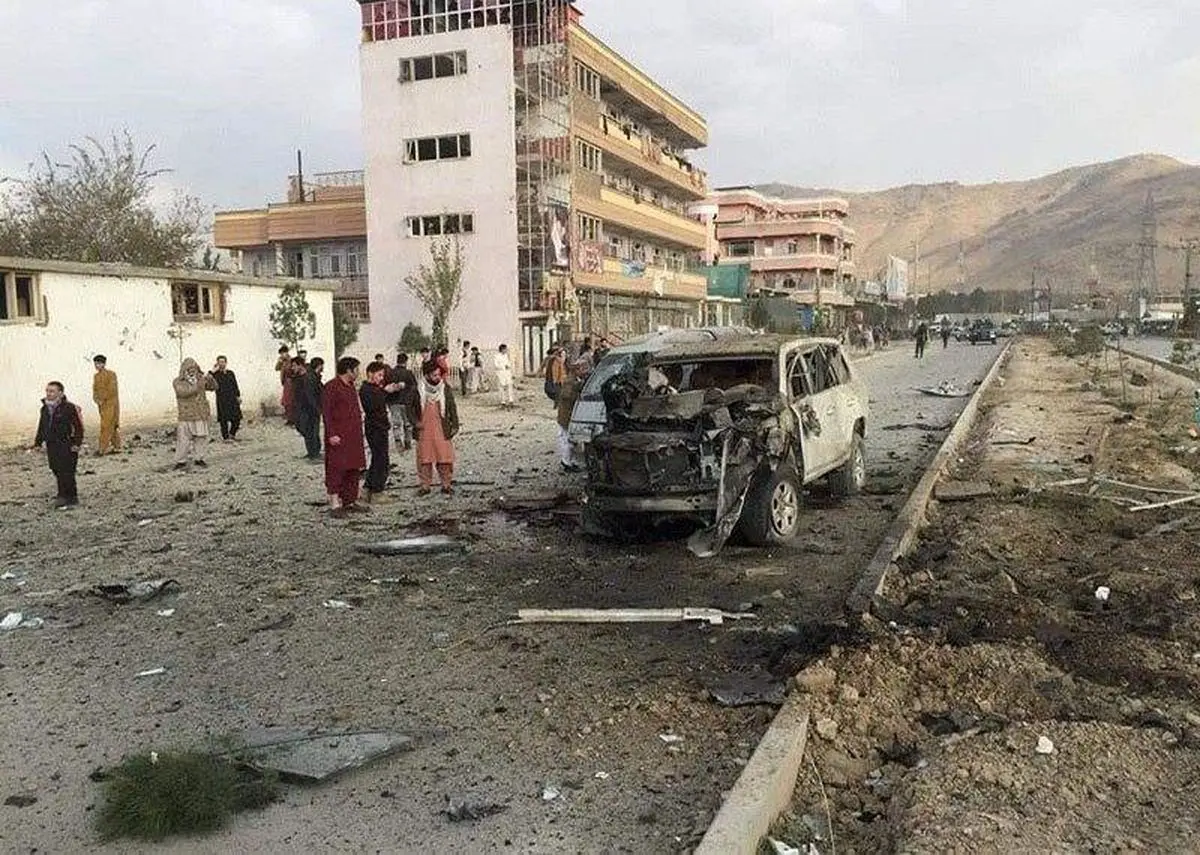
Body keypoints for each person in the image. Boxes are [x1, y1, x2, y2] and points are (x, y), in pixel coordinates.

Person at [322, 356, 368, 517]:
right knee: (336, 468)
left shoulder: (351, 387)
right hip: (338, 436)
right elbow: (326, 413)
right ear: (349, 370)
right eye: (356, 369)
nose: (358, 373)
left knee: (353, 467)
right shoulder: (332, 386)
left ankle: (350, 500)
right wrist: (331, 434)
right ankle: (335, 503)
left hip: (353, 435)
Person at [409, 359, 460, 495]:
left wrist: (455, 425)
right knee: (424, 459)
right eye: (434, 375)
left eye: (439, 374)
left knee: (445, 458)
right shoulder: (417, 389)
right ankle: (425, 486)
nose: (437, 377)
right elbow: (409, 409)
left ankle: (446, 485)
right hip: (424, 429)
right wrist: (415, 422)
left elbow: (452, 407)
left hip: (442, 429)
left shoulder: (445, 388)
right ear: (427, 375)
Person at [32, 381, 84, 509]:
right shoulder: (44, 408)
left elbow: (78, 427)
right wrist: (38, 442)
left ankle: (64, 496)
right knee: (55, 468)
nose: (48, 394)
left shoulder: (69, 407)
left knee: (66, 470)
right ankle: (70, 496)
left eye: (52, 391)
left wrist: (76, 443)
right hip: (51, 444)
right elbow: (42, 426)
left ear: (60, 393)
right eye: (47, 391)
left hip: (66, 443)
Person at [360, 361, 396, 504]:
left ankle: (368, 488)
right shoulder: (367, 389)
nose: (381, 378)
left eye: (382, 375)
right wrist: (385, 392)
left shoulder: (374, 389)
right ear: (370, 374)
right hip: (376, 427)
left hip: (378, 426)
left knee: (377, 459)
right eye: (379, 375)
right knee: (381, 460)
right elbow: (375, 405)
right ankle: (377, 491)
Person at [172, 357, 217, 470]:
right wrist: (200, 384)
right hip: (186, 415)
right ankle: (181, 461)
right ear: (184, 369)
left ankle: (199, 458)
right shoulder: (178, 382)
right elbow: (184, 392)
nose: (192, 370)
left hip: (200, 414)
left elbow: (214, 387)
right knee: (183, 439)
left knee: (201, 438)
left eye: (194, 368)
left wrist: (211, 379)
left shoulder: (200, 379)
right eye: (189, 368)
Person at [556, 359, 589, 472]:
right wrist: (577, 388)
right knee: (566, 440)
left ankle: (571, 462)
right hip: (566, 416)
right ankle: (566, 463)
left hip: (570, 416)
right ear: (576, 370)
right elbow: (567, 396)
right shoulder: (570, 382)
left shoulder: (575, 380)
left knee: (572, 441)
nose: (585, 371)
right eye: (583, 369)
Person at [294, 356, 324, 460]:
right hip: (308, 409)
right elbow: (310, 395)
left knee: (311, 431)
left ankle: (314, 452)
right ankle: (313, 452)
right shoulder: (309, 377)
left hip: (309, 408)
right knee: (310, 430)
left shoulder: (312, 376)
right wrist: (317, 408)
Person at [91, 354, 121, 456]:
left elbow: (112, 389)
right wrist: (96, 399)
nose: (96, 365)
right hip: (101, 405)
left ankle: (102, 449)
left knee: (106, 426)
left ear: (103, 364)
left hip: (111, 404)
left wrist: (102, 399)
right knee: (110, 425)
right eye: (95, 364)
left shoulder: (111, 374)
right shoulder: (96, 376)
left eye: (98, 363)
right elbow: (94, 389)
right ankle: (117, 447)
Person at [388, 353, 418, 451]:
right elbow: (414, 387)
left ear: (397, 361)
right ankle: (407, 442)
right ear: (406, 362)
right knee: (407, 423)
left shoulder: (390, 373)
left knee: (396, 424)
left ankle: (398, 443)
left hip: (393, 402)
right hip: (406, 402)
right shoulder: (408, 373)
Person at [210, 355, 243, 441]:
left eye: (223, 362)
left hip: (232, 398)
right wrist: (212, 371)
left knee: (237, 418)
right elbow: (207, 379)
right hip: (222, 399)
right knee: (223, 420)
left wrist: (238, 396)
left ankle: (232, 434)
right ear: (217, 363)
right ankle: (225, 437)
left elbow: (235, 385)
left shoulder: (230, 373)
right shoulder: (215, 374)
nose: (222, 364)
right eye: (220, 362)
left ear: (226, 363)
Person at [275, 346, 294, 425]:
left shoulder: (291, 361)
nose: (282, 355)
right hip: (285, 382)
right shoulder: (282, 361)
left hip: (290, 382)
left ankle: (292, 419)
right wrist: (280, 362)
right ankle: (289, 418)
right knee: (285, 401)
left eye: (283, 353)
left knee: (289, 401)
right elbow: (276, 368)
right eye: (281, 354)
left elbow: (291, 371)